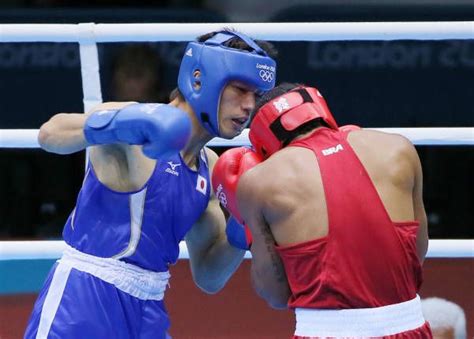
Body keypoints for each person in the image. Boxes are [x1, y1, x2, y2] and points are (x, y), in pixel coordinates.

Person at [24, 29, 277, 338]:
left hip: (149, 309)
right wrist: (118, 124)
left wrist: (243, 226)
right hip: (84, 299)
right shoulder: (137, 126)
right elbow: (50, 134)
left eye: (257, 95)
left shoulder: (209, 168)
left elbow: (209, 276)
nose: (250, 106)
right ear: (199, 79)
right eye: (240, 89)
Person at [212, 83, 432, 338]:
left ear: (262, 140)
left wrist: (247, 228)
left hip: (325, 331)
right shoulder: (399, 148)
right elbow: (417, 253)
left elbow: (275, 294)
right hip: (408, 326)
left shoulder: (261, 181)